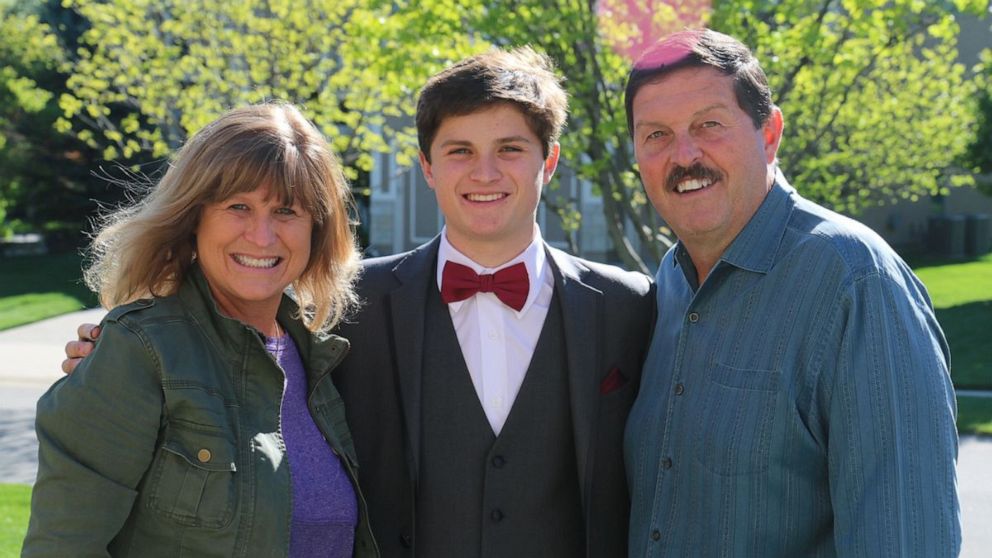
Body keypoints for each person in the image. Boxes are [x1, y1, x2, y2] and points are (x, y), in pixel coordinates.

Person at [62, 48, 655, 557]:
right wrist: (115, 355)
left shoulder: (628, 307)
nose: (485, 171)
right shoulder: (344, 306)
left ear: (548, 161)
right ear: (425, 166)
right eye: (458, 151)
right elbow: (224, 328)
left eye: (509, 149)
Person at [623, 29, 960, 556]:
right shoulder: (665, 284)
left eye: (709, 125)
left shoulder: (854, 280)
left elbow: (904, 536)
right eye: (656, 135)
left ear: (769, 133)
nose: (684, 155)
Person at [26, 103, 378, 557]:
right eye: (238, 206)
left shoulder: (325, 358)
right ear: (194, 217)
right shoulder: (141, 351)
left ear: (317, 228)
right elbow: (62, 546)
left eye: (286, 210)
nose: (262, 235)